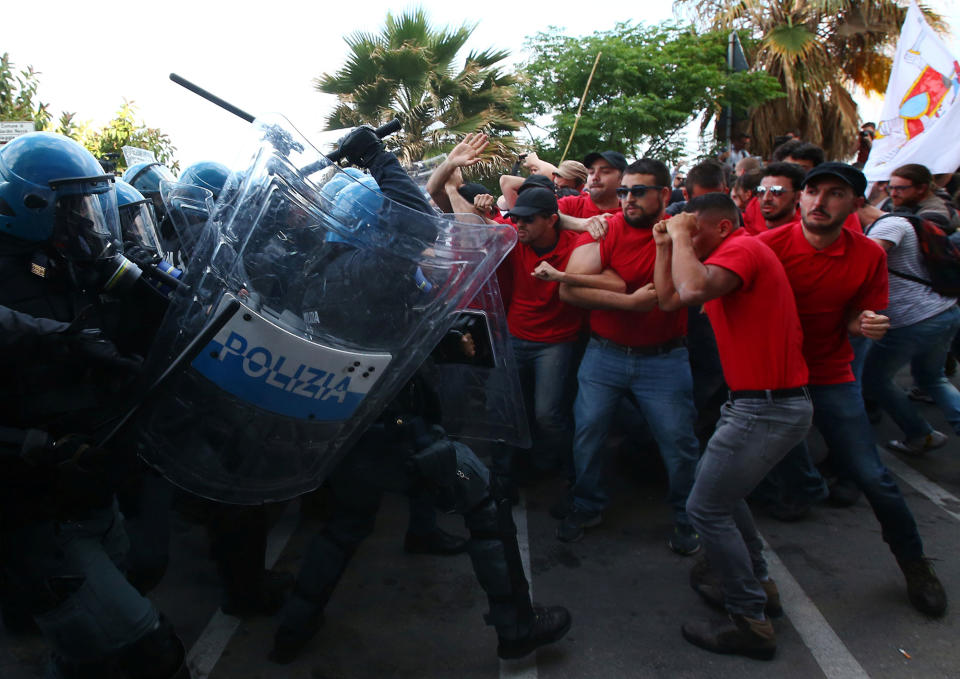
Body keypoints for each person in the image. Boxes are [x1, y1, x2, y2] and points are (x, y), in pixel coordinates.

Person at [270, 125, 571, 664]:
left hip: (351, 420)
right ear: (373, 226)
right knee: (484, 503)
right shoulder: (369, 266)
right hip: (397, 423)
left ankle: (293, 627)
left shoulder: (318, 270)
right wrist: (377, 156)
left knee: (347, 524)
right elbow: (409, 218)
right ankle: (516, 625)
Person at [0, 132, 189, 678]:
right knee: (150, 655)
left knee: (89, 650)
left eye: (90, 203)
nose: (86, 218)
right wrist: (33, 445)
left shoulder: (66, 267)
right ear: (31, 205)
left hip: (92, 493)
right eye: (73, 205)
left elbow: (145, 319)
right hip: (33, 514)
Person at [755, 162, 947, 618]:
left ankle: (915, 564)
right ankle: (728, 570)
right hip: (772, 375)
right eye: (813, 191)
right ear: (800, 197)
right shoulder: (766, 247)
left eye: (834, 194)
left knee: (874, 476)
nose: (820, 202)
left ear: (856, 204)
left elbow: (859, 317)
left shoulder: (869, 255)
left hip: (830, 374)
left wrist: (866, 323)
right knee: (727, 474)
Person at [653, 193, 812, 660]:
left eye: (695, 229)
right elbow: (668, 299)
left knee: (706, 508)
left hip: (768, 407)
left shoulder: (741, 248)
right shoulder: (723, 257)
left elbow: (694, 288)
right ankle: (759, 586)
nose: (687, 235)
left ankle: (749, 620)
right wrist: (667, 245)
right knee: (722, 495)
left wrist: (680, 235)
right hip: (752, 404)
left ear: (721, 228)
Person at [547, 158, 701, 553]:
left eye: (638, 192)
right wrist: (630, 302)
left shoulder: (682, 234)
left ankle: (688, 517)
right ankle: (587, 505)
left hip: (664, 359)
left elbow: (683, 292)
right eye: (624, 191)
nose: (628, 199)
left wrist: (615, 290)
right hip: (604, 355)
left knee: (678, 442)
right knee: (588, 434)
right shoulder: (607, 228)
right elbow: (569, 291)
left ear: (664, 195)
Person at [862, 210, 960, 453]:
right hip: (942, 310)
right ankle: (922, 434)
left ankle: (920, 433)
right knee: (932, 378)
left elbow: (865, 260)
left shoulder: (886, 227)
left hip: (914, 319)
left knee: (873, 379)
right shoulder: (903, 220)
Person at [741, 162, 805, 234]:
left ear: (798, 196)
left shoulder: (807, 235)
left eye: (776, 191)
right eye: (761, 191)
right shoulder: (746, 224)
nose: (766, 198)